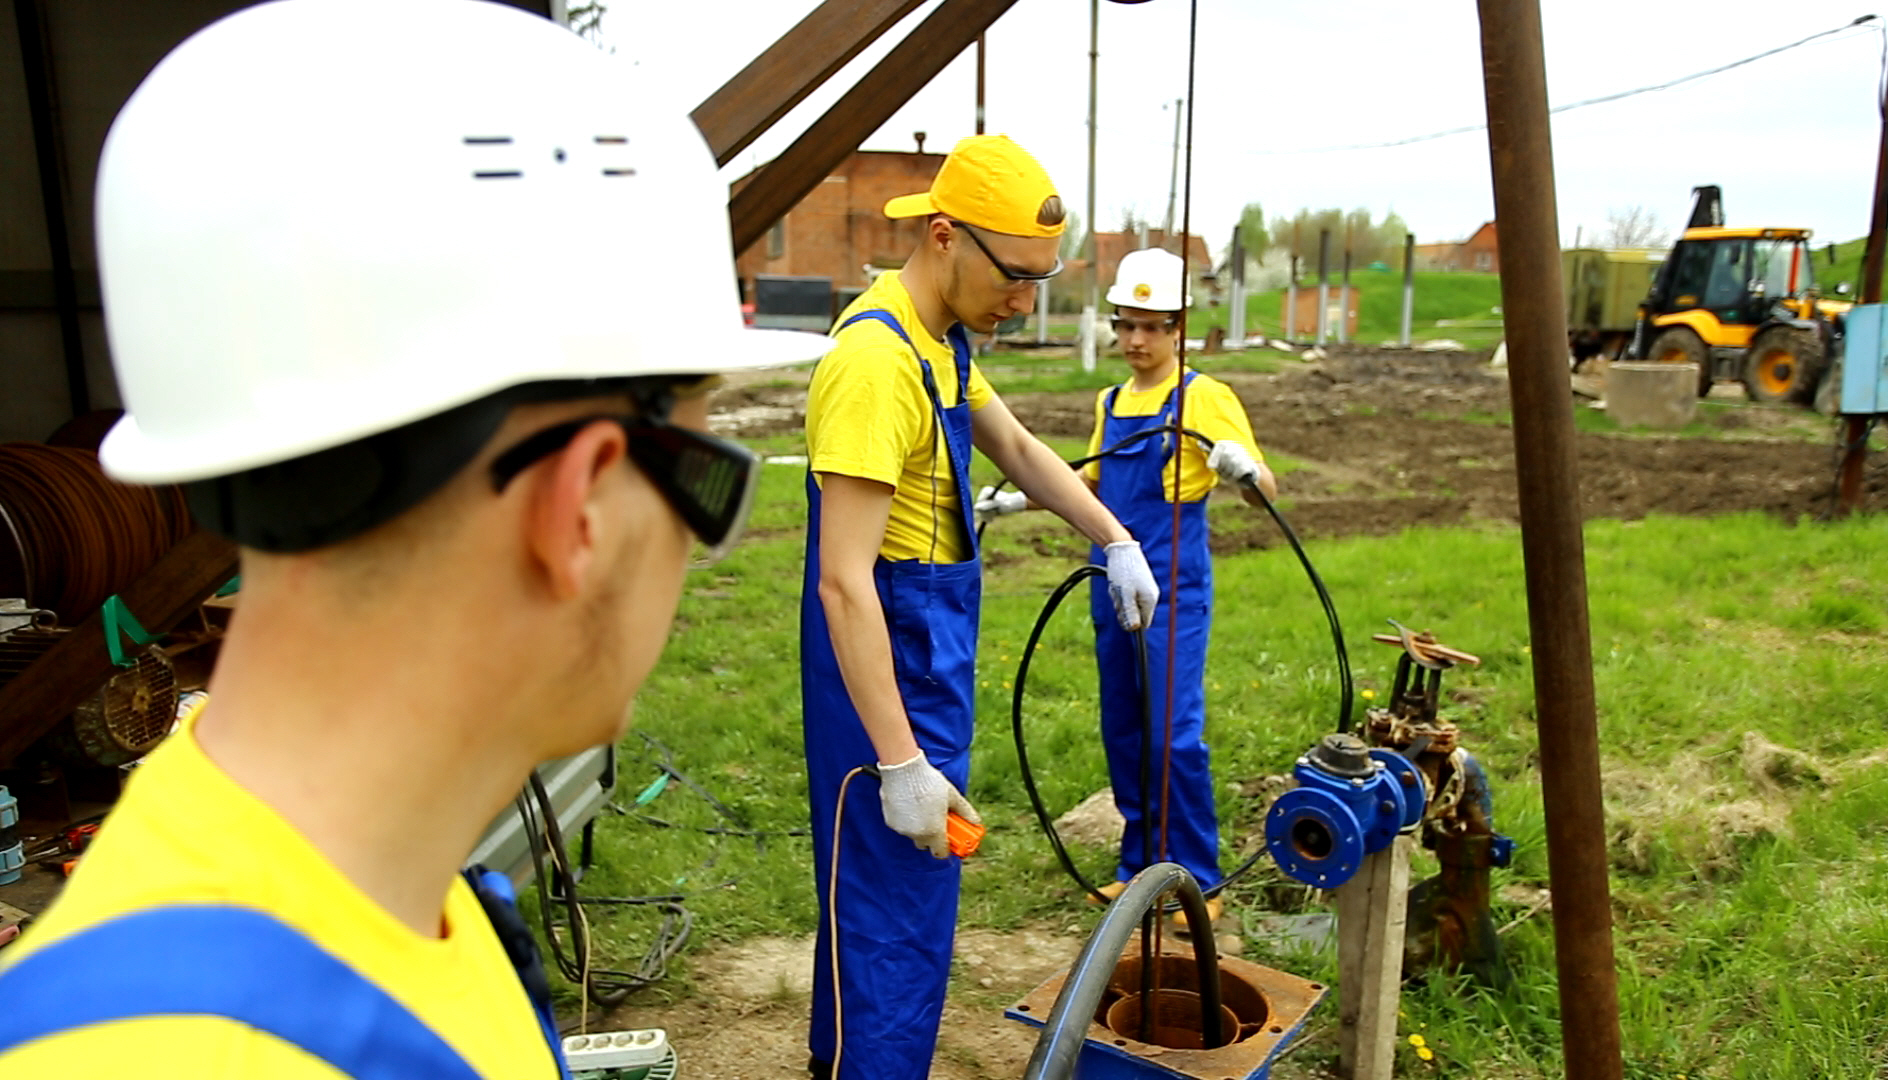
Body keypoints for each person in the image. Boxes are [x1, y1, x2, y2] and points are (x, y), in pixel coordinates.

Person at [0, 2, 827, 1077]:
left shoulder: (393, 903)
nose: (691, 549)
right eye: (710, 489)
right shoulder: (186, 1045)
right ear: (583, 508)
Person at [801, 134, 1160, 1078]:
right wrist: (899, 760)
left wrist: (1112, 535)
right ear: (947, 236)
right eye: (1017, 275)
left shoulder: (944, 342)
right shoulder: (874, 365)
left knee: (903, 899)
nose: (1026, 300)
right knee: (889, 910)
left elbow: (1023, 451)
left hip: (929, 648)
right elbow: (843, 580)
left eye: (1042, 279)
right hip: (882, 662)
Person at [977, 246, 1278, 924]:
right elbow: (1090, 483)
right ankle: (1139, 863)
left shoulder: (1205, 397)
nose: (1136, 340)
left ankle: (1199, 876)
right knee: (1124, 729)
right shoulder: (1110, 400)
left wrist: (1240, 468)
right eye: (1126, 325)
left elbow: (1269, 492)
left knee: (1171, 733)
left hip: (1175, 585)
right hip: (1111, 584)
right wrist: (1015, 502)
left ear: (1179, 328)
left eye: (1151, 326)